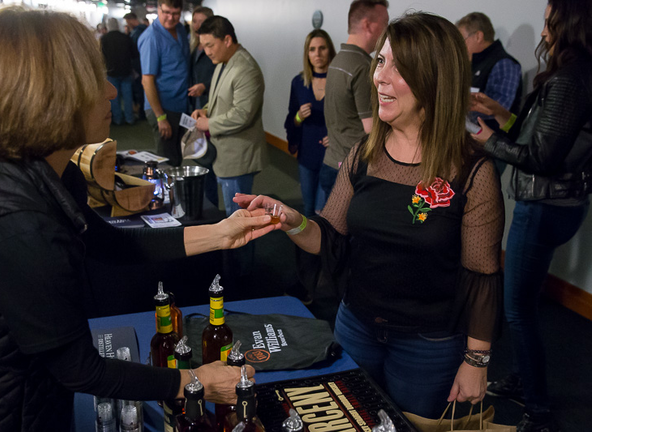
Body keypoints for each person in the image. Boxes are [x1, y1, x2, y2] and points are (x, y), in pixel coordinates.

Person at [0, 6, 272, 431]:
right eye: (95, 80)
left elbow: (111, 243)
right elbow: (80, 369)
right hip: (2, 412)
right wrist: (194, 380)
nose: (112, 93)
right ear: (50, 98)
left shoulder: (36, 167)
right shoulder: (14, 225)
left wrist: (219, 233)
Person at [235, 12, 505, 420]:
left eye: (399, 67)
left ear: (435, 80)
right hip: (355, 325)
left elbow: (482, 276)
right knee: (354, 419)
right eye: (381, 61)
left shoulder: (471, 172)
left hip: (427, 345)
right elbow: (330, 236)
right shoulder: (365, 153)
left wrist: (476, 361)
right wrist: (293, 221)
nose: (379, 77)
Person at [470, 1, 591, 430]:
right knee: (527, 304)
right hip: (557, 204)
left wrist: (487, 140)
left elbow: (539, 156)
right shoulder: (577, 76)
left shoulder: (569, 80)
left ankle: (537, 408)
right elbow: (547, 135)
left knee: (518, 308)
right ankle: (524, 379)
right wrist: (502, 116)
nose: (543, 33)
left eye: (547, 23)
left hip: (543, 206)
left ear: (567, 24)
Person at [191, 16, 268, 217]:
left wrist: (208, 123)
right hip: (225, 155)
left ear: (227, 40)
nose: (206, 52)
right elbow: (219, 98)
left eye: (210, 45)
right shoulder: (223, 62)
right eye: (203, 46)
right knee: (234, 218)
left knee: (239, 221)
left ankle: (240, 251)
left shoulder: (245, 68)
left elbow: (242, 115)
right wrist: (206, 109)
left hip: (238, 159)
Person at [320, 0, 389, 206]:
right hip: (350, 169)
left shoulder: (338, 61)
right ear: (368, 25)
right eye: (385, 23)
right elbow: (371, 128)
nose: (387, 31)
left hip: (331, 162)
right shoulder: (363, 67)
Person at [457, 11, 523, 176]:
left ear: (478, 36)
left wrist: (458, 107)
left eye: (461, 40)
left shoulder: (504, 63)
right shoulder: (472, 65)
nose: (459, 46)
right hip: (472, 146)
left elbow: (500, 107)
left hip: (493, 148)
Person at [285, 29, 336, 216]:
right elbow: (291, 119)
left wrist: (337, 138)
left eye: (322, 48)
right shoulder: (299, 82)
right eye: (312, 49)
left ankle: (324, 245)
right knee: (307, 209)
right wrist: (299, 116)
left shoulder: (339, 81)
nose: (318, 54)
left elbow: (351, 119)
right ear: (307, 53)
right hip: (307, 154)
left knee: (323, 211)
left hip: (331, 155)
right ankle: (306, 246)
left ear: (329, 50)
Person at [137, 0, 190, 167]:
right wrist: (161, 117)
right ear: (158, 9)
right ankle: (166, 193)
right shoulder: (151, 37)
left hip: (181, 105)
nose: (170, 18)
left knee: (178, 155)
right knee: (167, 162)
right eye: (166, 12)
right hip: (163, 107)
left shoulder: (180, 29)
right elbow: (147, 81)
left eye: (175, 13)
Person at [188, 6, 219, 207]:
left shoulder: (214, 48)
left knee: (210, 162)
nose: (198, 25)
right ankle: (208, 207)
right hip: (199, 107)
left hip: (212, 108)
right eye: (195, 21)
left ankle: (212, 208)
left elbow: (219, 81)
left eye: (203, 21)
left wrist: (204, 86)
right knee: (202, 159)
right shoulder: (193, 45)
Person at [101, 18, 135, 125]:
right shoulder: (125, 37)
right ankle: (129, 118)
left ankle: (117, 119)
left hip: (111, 72)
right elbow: (134, 54)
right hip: (126, 71)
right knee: (127, 96)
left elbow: (102, 56)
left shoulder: (104, 39)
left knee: (114, 98)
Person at [124, 12, 147, 120]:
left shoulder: (137, 33)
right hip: (142, 65)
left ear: (133, 20)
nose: (128, 25)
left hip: (139, 66)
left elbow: (134, 51)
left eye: (128, 22)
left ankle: (143, 112)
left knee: (141, 90)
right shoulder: (144, 30)